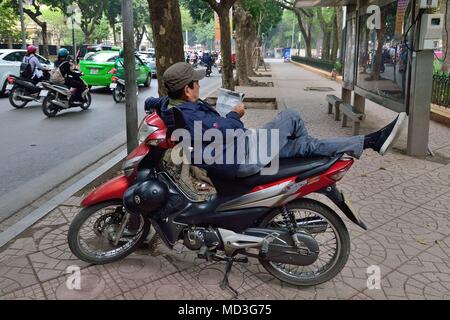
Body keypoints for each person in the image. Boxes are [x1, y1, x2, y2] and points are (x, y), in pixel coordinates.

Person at [152, 62, 406, 180]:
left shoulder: (169, 105)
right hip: (242, 156)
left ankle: (371, 141)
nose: (199, 85)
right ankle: (311, 145)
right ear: (187, 89)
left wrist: (150, 105)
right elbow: (224, 128)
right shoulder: (190, 114)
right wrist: (234, 114)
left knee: (306, 145)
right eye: (196, 82)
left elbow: (152, 103)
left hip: (241, 148)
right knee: (292, 115)